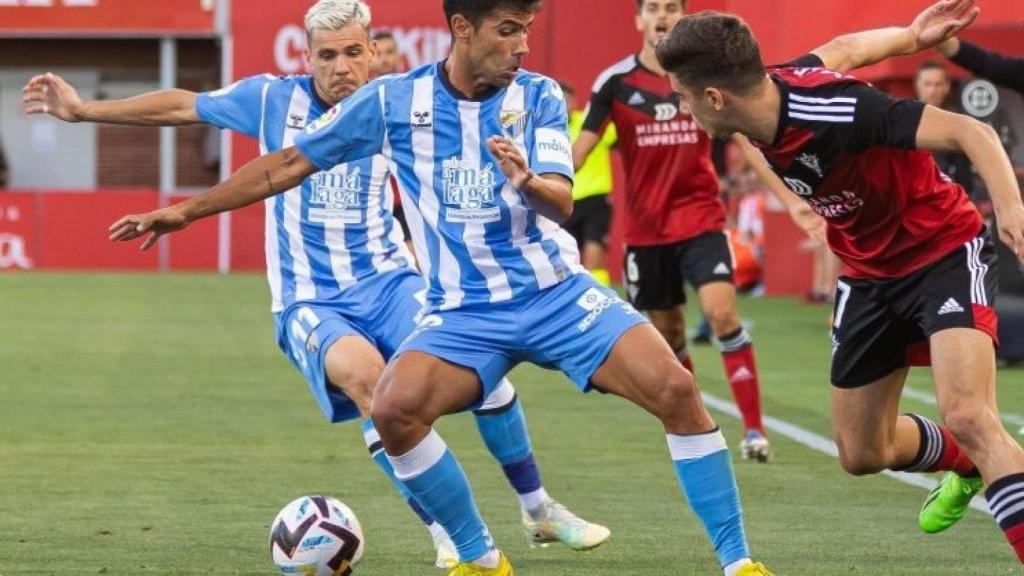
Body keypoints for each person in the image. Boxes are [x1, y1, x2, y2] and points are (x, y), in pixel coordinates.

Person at [107, 1, 775, 575]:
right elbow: (286, 164)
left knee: (676, 390)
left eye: (527, 29)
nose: (522, 44)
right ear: (462, 28)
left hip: (555, 295)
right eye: (508, 29)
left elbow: (561, 200)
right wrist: (186, 210)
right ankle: (482, 558)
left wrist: (526, 182)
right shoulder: (393, 102)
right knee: (394, 407)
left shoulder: (538, 95)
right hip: (462, 312)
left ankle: (738, 560)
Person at [23, 0, 608, 568]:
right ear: (306, 57)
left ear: (374, 52)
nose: (340, 67)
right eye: (326, 55)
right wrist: (84, 111)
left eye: (354, 52)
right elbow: (185, 104)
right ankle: (447, 535)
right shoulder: (272, 101)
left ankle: (538, 508)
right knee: (372, 389)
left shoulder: (399, 103)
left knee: (486, 374)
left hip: (391, 280)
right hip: (311, 298)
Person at [656, 0, 1024, 564]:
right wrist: (910, 36)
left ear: (713, 98)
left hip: (943, 249)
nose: (681, 105)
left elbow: (972, 132)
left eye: (682, 94)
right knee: (861, 451)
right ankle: (965, 460)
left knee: (971, 414)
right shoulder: (765, 87)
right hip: (870, 274)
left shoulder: (838, 111)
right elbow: (844, 50)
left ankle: (981, 450)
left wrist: (1010, 211)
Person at [572, 0, 770, 462]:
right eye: (654, 8)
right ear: (639, 19)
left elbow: (748, 136)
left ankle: (756, 431)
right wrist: (536, 186)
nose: (662, 15)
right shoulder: (616, 83)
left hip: (701, 218)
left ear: (680, 19)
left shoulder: (705, 76)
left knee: (722, 316)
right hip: (646, 233)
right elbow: (580, 151)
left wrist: (797, 205)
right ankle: (699, 426)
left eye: (671, 8)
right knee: (670, 336)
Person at [560, 81, 615, 286]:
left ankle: (603, 309)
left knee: (594, 258)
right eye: (560, 100)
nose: (565, 104)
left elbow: (621, 137)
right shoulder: (546, 130)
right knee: (564, 262)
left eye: (568, 100)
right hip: (563, 202)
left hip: (595, 200)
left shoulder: (590, 122)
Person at [915, 60, 976, 199]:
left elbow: (964, 175)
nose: (932, 91)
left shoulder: (959, 123)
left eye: (938, 84)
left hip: (949, 200)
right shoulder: (903, 119)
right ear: (918, 86)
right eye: (927, 84)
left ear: (946, 87)